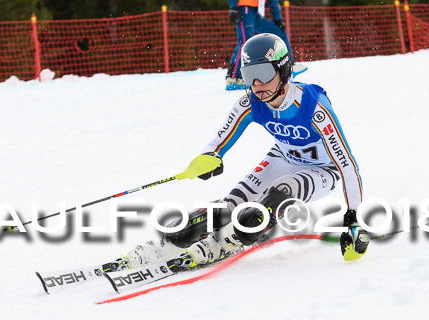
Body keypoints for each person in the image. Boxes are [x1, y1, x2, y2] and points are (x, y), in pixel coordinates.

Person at [109, 33, 369, 274]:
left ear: (284, 70)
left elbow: (346, 163)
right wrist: (207, 159)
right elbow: (217, 142)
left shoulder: (313, 106)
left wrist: (353, 217)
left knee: (277, 195)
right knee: (226, 209)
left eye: (264, 73)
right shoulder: (251, 102)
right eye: (249, 75)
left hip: (323, 169)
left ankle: (229, 241)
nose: (256, 84)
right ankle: (169, 245)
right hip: (283, 157)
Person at [226, 0, 295, 90]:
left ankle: (289, 63)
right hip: (244, 8)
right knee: (244, 42)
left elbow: (273, 1)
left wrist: (278, 19)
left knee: (279, 32)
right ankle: (234, 77)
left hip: (256, 11)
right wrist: (234, 7)